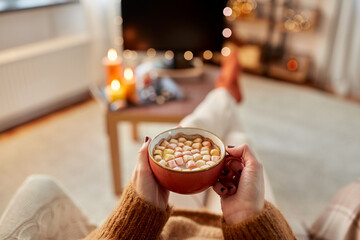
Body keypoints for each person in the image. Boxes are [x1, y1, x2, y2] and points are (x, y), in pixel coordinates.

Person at [83, 52, 297, 239]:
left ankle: (225, 93)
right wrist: (247, 214)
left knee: (191, 128)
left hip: (156, 225)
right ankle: (226, 92)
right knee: (239, 138)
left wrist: (139, 213)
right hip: (232, 229)